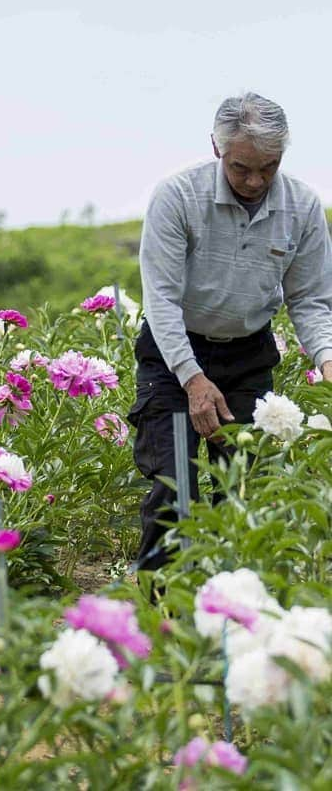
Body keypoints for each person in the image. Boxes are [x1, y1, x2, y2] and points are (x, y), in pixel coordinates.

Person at [129, 92, 332, 575]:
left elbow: (310, 300)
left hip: (247, 356)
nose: (255, 181)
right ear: (217, 149)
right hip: (173, 353)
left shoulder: (302, 207)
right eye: (242, 167)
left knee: (245, 486)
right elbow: (161, 300)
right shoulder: (178, 196)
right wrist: (193, 379)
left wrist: (327, 359)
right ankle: (163, 618)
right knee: (175, 489)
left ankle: (233, 611)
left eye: (269, 167)